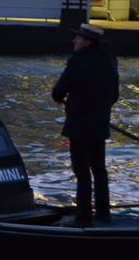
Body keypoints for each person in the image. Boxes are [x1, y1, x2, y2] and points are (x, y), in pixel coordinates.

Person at [51, 23, 119, 227]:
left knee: (82, 172)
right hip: (99, 125)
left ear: (88, 42)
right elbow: (114, 96)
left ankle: (83, 218)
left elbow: (58, 93)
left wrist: (71, 101)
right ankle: (103, 214)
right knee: (99, 169)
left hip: (80, 125)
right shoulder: (110, 62)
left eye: (78, 38)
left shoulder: (78, 62)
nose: (74, 41)